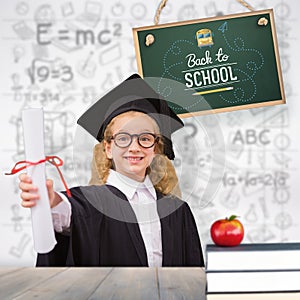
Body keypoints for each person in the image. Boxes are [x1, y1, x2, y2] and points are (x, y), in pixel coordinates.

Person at [19, 74, 204, 267]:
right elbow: (69, 213)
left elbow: (192, 279)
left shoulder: (177, 211)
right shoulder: (93, 203)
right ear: (108, 148)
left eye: (145, 138)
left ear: (155, 148)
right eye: (123, 138)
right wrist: (51, 201)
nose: (135, 147)